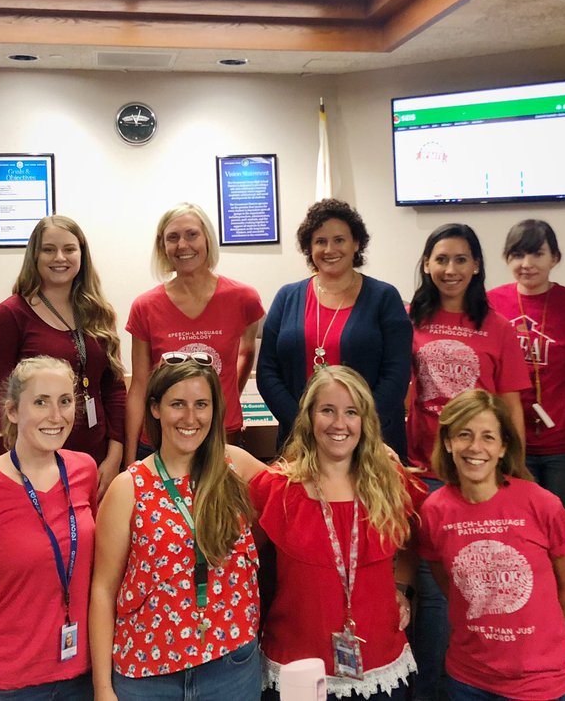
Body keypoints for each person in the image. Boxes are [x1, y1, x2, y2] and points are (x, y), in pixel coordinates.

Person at [91, 355, 261, 701]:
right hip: (148, 676)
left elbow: (304, 484)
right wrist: (102, 687)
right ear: (155, 409)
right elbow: (103, 591)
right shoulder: (128, 488)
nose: (190, 417)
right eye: (177, 404)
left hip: (229, 666)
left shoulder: (236, 467)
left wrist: (372, 452)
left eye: (201, 405)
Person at [407, 223, 529, 701]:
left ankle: (477, 679)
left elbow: (510, 404)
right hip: (426, 471)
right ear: (426, 264)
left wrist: (511, 471)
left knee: (477, 583)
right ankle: (432, 689)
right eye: (441, 259)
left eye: (461, 260)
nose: (450, 269)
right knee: (432, 589)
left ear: (477, 265)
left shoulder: (496, 327)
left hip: (480, 474)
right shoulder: (409, 318)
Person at [249, 365, 421, 701]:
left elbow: (415, 541)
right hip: (296, 666)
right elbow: (246, 560)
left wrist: (401, 586)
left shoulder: (390, 481)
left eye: (350, 412)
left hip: (380, 663)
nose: (339, 423)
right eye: (327, 410)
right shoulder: (279, 488)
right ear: (310, 418)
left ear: (365, 421)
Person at [488, 219, 565, 699]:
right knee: (513, 553)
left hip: (564, 449)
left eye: (537, 254)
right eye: (517, 254)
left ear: (555, 257)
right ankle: (523, 659)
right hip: (504, 450)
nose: (526, 264)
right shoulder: (490, 302)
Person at [0, 356, 97, 701]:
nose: (56, 416)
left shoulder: (84, 471)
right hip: (9, 682)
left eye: (65, 401)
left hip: (81, 673)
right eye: (40, 402)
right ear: (12, 411)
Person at [420, 389, 565, 701]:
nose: (475, 447)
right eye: (464, 434)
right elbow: (447, 582)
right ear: (448, 442)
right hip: (469, 677)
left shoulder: (542, 504)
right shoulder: (434, 510)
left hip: (540, 681)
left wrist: (540, 645)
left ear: (504, 447)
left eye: (488, 437)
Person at [0, 216, 126, 498]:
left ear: (82, 254)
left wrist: (115, 455)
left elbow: (114, 389)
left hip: (96, 457)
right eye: (48, 249)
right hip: (34, 459)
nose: (60, 257)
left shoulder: (99, 312)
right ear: (34, 255)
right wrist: (15, 461)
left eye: (69, 249)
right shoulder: (12, 314)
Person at [257, 198, 412, 455]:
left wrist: (354, 425)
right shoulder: (287, 297)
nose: (330, 249)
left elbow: (396, 375)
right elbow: (268, 371)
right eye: (320, 241)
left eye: (339, 240)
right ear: (310, 247)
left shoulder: (384, 298)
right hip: (300, 443)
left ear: (356, 244)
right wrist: (305, 425)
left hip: (370, 442)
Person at [122, 202, 263, 466]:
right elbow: (139, 385)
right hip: (159, 440)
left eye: (191, 234)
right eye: (172, 238)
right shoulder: (145, 306)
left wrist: (227, 397)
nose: (182, 245)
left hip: (221, 435)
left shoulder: (243, 298)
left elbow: (247, 350)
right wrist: (130, 459)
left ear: (208, 239)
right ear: (162, 246)